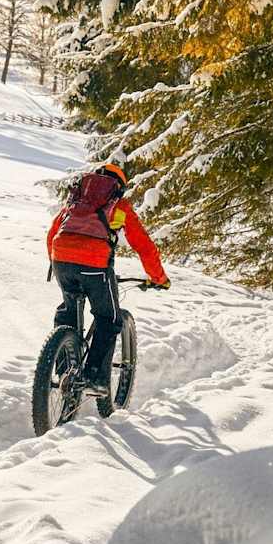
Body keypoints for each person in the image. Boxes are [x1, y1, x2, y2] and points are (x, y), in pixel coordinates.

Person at [46, 163, 169, 395]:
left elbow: (53, 233)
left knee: (68, 312)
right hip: (95, 266)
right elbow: (142, 245)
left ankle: (63, 370)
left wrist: (57, 262)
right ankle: (95, 378)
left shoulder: (74, 202)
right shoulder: (118, 205)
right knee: (109, 318)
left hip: (61, 258)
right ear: (118, 187)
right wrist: (158, 277)